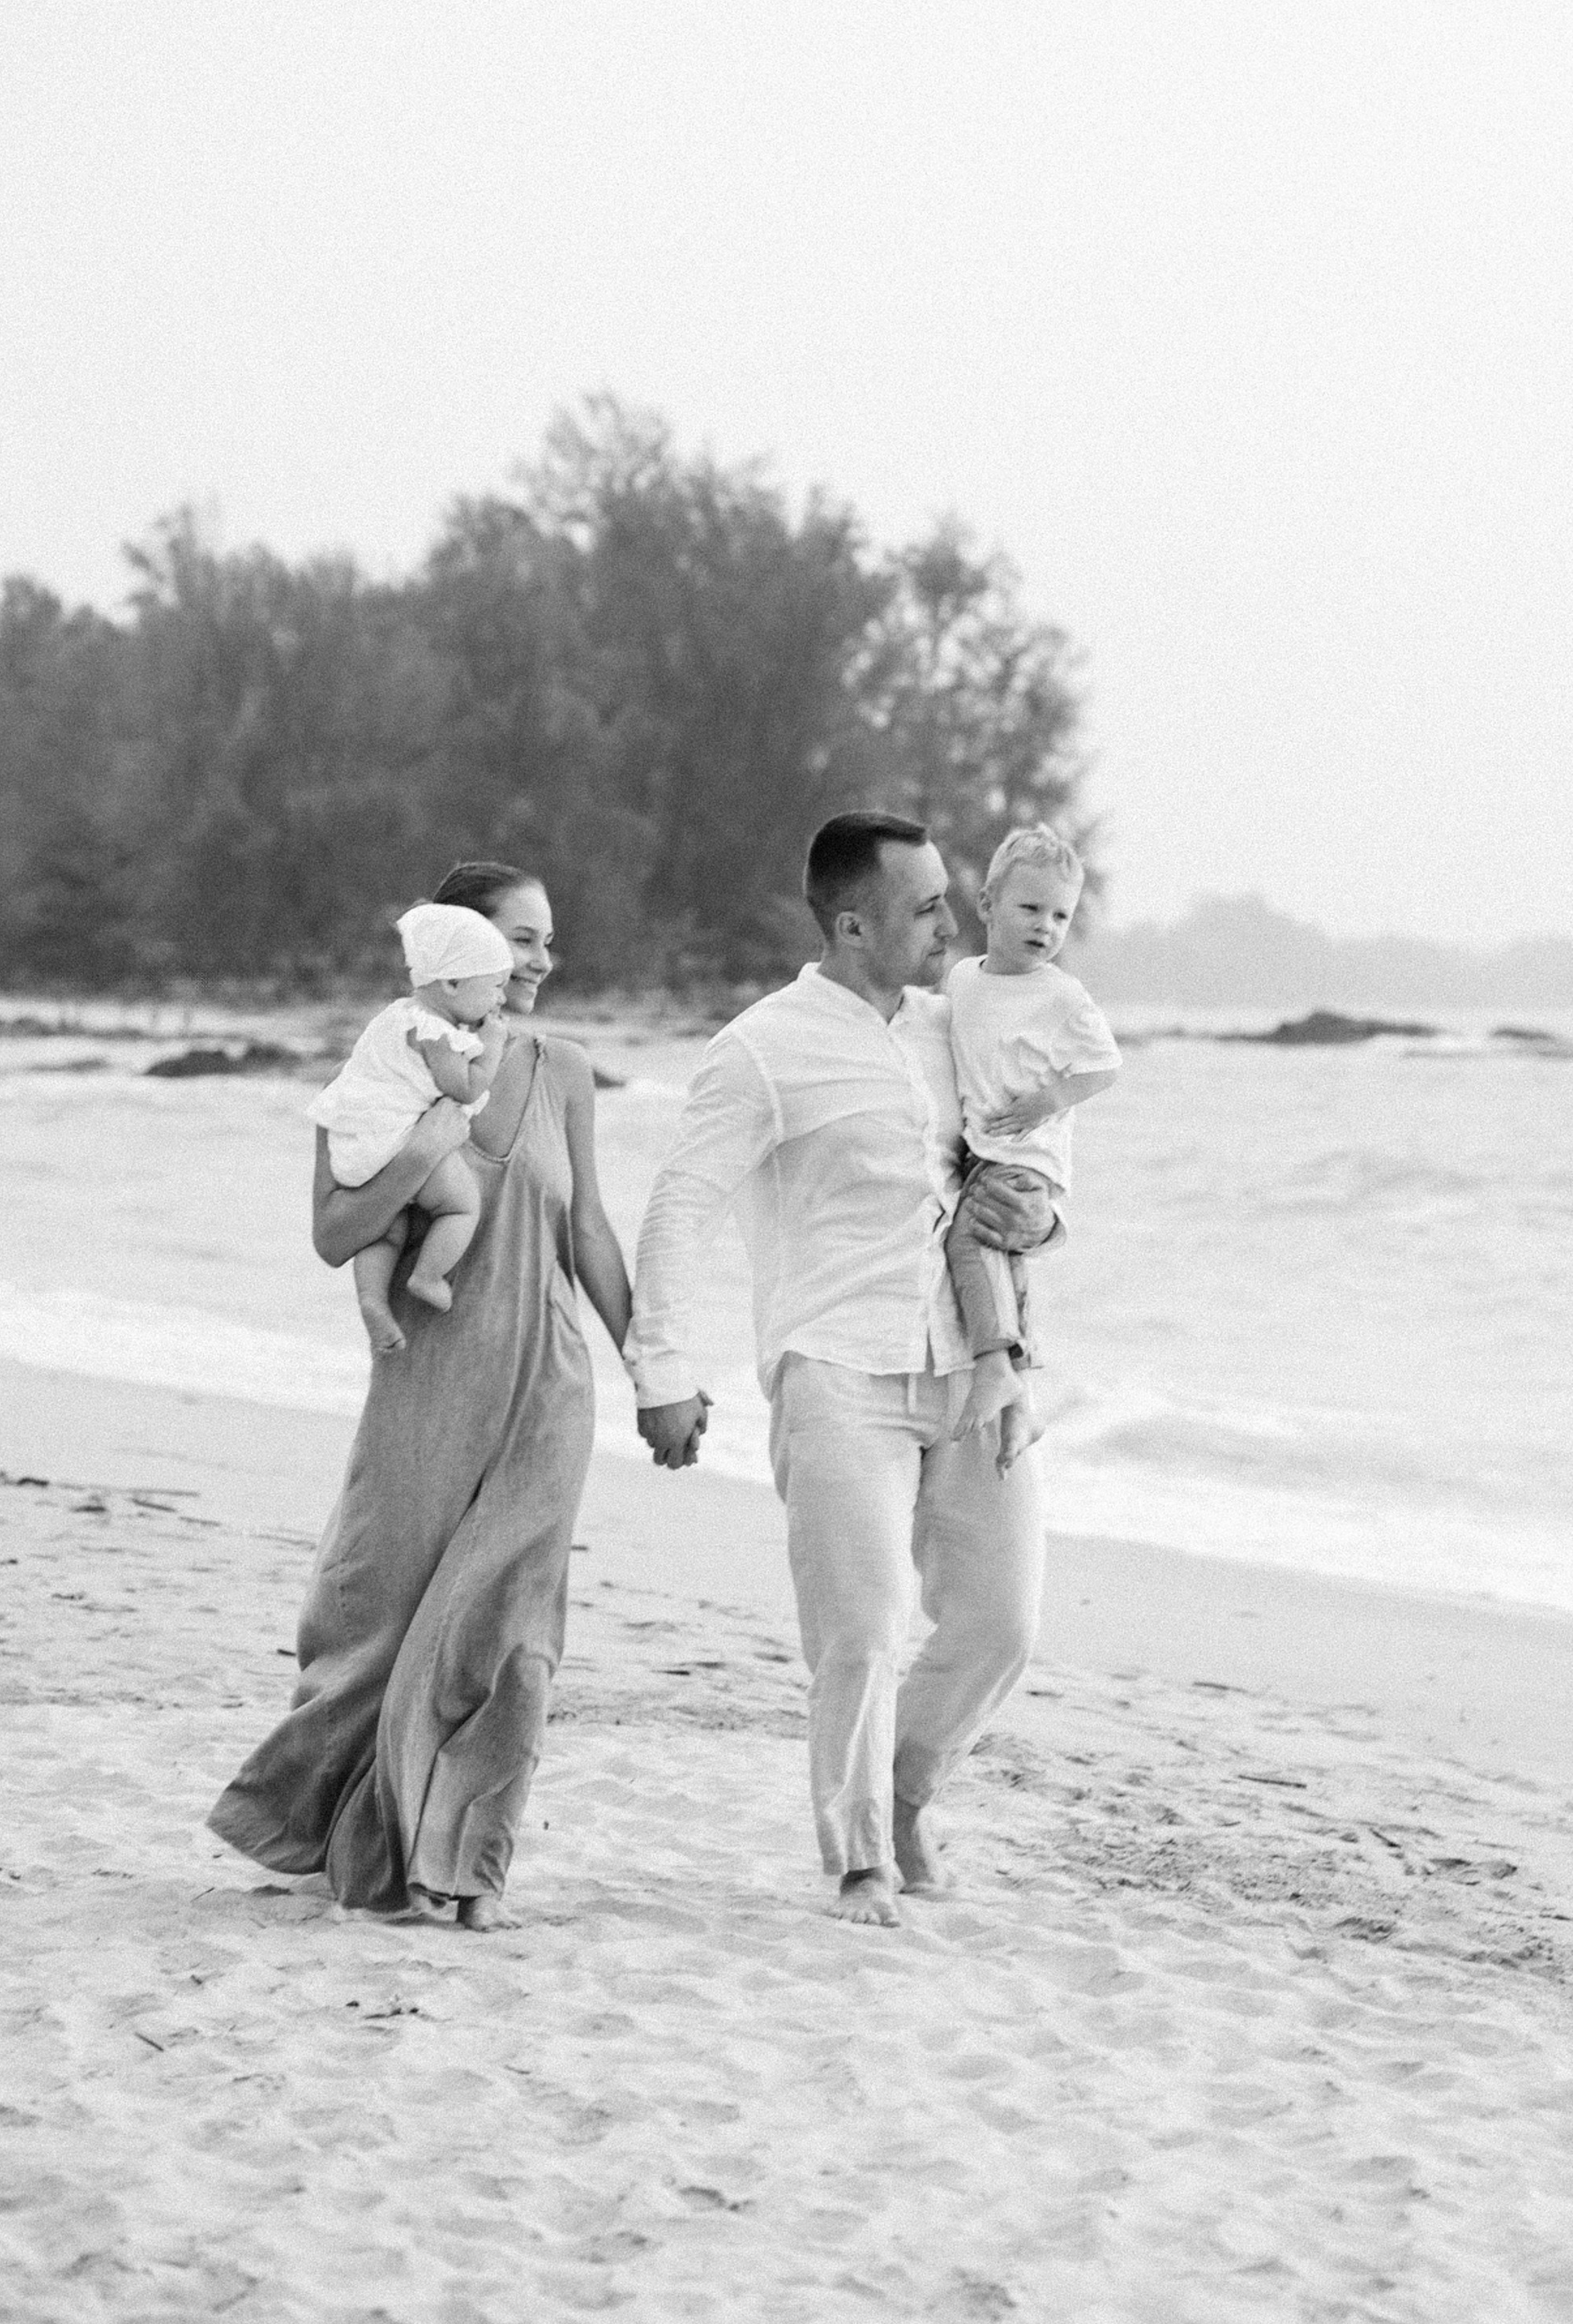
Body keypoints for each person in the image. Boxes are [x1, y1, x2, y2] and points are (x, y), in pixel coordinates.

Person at [630, 812, 1059, 1929]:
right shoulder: (762, 1049)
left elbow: (1015, 1166)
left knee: (1001, 1621)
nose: (952, 923)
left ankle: (911, 1790)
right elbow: (682, 1207)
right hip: (836, 1371)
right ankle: (864, 1857)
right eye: (926, 907)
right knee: (864, 1630)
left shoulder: (957, 1027)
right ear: (854, 923)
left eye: (950, 899)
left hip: (971, 1364)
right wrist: (661, 1369)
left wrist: (1038, 1222)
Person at [208, 860, 631, 1929]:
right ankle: (327, 1829)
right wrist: (427, 1152)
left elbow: (587, 1232)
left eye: (544, 942)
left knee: (513, 1633)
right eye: (519, 942)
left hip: (548, 1383)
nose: (539, 962)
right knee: (373, 1623)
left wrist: (658, 1371)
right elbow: (334, 1234)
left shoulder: (564, 1070)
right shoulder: (380, 1071)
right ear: (459, 957)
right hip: (427, 1384)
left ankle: (470, 1868)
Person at [943, 824, 1120, 1468]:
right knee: (1005, 1267)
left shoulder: (1063, 996)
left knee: (972, 1240)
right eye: (1030, 909)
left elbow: (1104, 1067)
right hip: (983, 1149)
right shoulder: (962, 979)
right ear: (988, 906)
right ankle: (1024, 1407)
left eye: (1061, 915)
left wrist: (1049, 1101)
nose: (1046, 926)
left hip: (1027, 1153)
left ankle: (995, 1367)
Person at [307, 900, 514, 1354]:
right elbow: (464, 1088)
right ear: (453, 982)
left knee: (387, 1228)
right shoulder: (437, 1033)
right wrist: (492, 1047)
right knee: (461, 1206)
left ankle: (372, 1300)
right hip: (399, 1142)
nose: (503, 997)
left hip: (359, 1147)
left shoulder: (396, 1019)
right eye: (497, 985)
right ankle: (428, 1274)